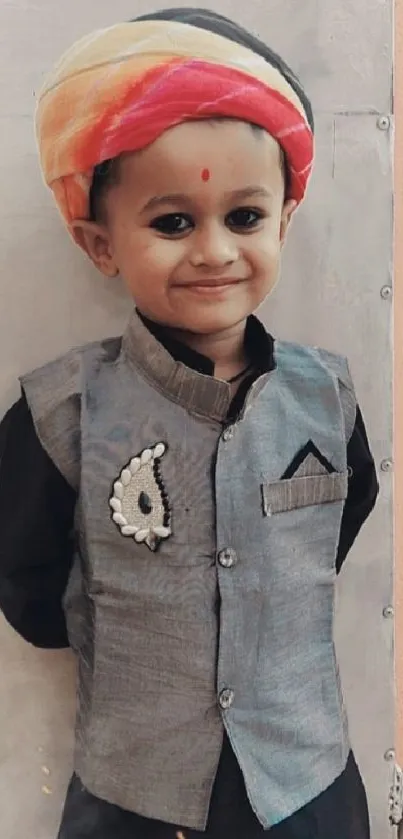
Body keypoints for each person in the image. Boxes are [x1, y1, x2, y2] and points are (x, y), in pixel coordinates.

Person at [0, 7, 379, 839]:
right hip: (132, 796)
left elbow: (335, 533)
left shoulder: (328, 400)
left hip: (306, 789)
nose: (213, 251)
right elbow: (28, 589)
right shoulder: (59, 413)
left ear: (281, 222)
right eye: (173, 222)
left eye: (243, 217)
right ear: (100, 243)